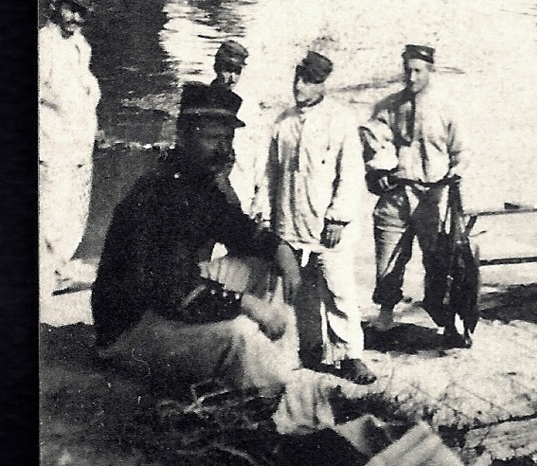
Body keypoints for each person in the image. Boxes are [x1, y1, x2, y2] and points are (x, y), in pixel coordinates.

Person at [92, 83, 304, 396]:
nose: (224, 149)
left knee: (266, 263)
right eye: (212, 138)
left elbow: (239, 229)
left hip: (166, 302)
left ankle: (285, 368)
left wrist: (281, 249)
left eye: (228, 138)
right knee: (240, 333)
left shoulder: (196, 182)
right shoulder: (158, 193)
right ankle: (277, 391)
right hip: (131, 330)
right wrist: (247, 305)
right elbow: (172, 291)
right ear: (182, 136)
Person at [264, 50, 374, 385]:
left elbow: (351, 174)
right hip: (290, 225)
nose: (299, 86)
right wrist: (268, 220)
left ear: (322, 84)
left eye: (308, 81)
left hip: (327, 229)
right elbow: (270, 174)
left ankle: (351, 355)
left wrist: (338, 218)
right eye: (297, 78)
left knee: (338, 291)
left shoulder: (339, 121)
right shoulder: (283, 123)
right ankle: (311, 350)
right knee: (302, 293)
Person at [370, 44, 469, 346]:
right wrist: (377, 174)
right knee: (388, 261)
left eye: (418, 71)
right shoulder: (388, 107)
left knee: (440, 263)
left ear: (430, 71)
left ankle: (447, 320)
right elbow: (371, 149)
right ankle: (385, 318)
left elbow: (461, 153)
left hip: (433, 197)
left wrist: (456, 173)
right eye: (407, 70)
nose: (411, 77)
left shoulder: (446, 108)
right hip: (397, 196)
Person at [39, 0, 102, 302]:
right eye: (71, 9)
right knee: (47, 223)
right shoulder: (43, 47)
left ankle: (58, 270)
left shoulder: (80, 46)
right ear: (56, 5)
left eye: (83, 12)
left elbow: (83, 96)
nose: (76, 17)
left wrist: (94, 129)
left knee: (73, 221)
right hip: (52, 153)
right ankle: (40, 295)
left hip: (79, 153)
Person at [211, 40, 267, 224]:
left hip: (242, 195)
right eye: (227, 70)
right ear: (216, 67)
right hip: (207, 199)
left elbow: (261, 155)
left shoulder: (249, 108)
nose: (232, 78)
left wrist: (260, 200)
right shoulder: (202, 103)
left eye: (237, 71)